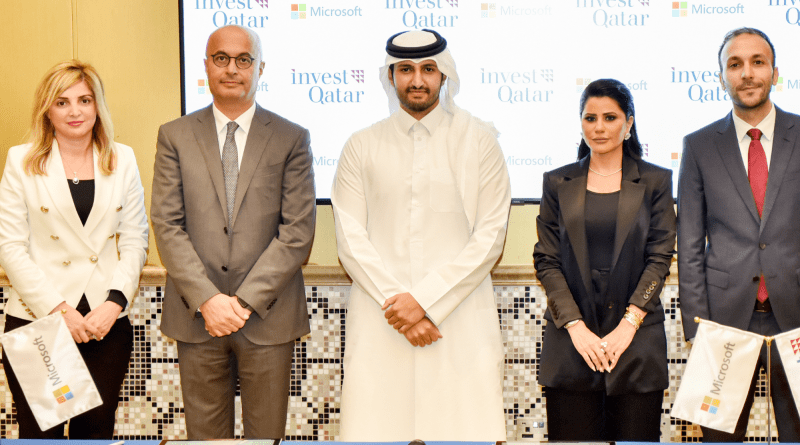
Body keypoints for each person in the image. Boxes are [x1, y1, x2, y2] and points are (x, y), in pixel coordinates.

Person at [331, 29, 511, 441]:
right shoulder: (361, 145)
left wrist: (426, 302)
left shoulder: (480, 143)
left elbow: (490, 237)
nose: (417, 80)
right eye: (406, 70)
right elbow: (350, 239)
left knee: (463, 433)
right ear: (390, 75)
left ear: (444, 75)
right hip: (382, 321)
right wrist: (401, 308)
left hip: (458, 322)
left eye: (428, 69)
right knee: (377, 431)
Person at [151, 25, 315, 439]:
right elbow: (167, 224)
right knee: (205, 441)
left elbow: (297, 232)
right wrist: (209, 300)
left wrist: (241, 303)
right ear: (206, 65)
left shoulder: (291, 138)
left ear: (261, 68)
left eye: (244, 60)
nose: (232, 69)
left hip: (268, 315)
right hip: (197, 316)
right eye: (221, 58)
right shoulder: (174, 135)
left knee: (266, 438)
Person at [0, 60, 149, 438]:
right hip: (40, 319)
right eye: (62, 102)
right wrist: (59, 310)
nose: (75, 111)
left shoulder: (123, 158)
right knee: (42, 436)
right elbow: (10, 246)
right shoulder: (21, 160)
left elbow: (135, 239)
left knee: (94, 433)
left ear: (98, 106)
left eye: (84, 100)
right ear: (47, 110)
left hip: (103, 322)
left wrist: (114, 303)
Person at [533, 79, 676, 441]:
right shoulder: (557, 182)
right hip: (571, 346)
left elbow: (660, 257)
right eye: (590, 118)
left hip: (637, 344)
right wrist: (576, 327)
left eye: (610, 118)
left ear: (628, 124)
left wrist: (629, 324)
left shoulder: (656, 180)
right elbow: (547, 260)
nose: (599, 127)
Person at [678, 27, 800, 441]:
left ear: (775, 73)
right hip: (723, 324)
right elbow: (689, 245)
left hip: (796, 321)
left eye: (757, 62)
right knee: (719, 437)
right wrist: (698, 328)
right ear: (721, 78)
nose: (747, 73)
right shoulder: (698, 146)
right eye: (735, 64)